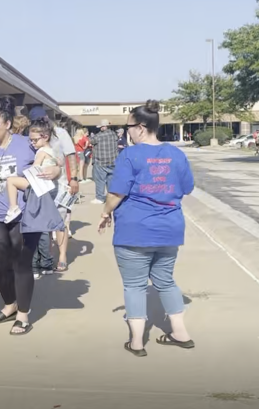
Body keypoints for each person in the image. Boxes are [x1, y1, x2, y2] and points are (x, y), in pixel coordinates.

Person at [98, 100, 195, 357]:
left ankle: (138, 342)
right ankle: (180, 333)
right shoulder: (176, 154)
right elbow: (187, 187)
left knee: (134, 286)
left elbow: (117, 192)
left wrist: (105, 213)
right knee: (165, 281)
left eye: (128, 126)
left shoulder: (130, 155)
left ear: (140, 127)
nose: (126, 131)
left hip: (135, 230)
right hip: (168, 229)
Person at [0, 98, 63, 335]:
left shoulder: (26, 144)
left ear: (7, 124)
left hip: (25, 215)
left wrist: (57, 169)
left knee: (21, 264)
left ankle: (23, 314)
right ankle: (9, 305)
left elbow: (51, 158)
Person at [30, 108, 79, 275]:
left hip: (61, 184)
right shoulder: (32, 134)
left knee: (60, 221)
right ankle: (47, 257)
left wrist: (74, 178)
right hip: (41, 186)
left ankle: (62, 256)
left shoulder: (61, 133)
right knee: (44, 224)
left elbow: (71, 155)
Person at [4, 117, 58, 223]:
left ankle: (13, 207)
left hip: (39, 183)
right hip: (48, 184)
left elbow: (35, 167)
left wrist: (25, 170)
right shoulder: (51, 150)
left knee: (11, 180)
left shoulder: (41, 152)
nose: (32, 143)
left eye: (35, 140)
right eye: (31, 140)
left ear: (45, 137)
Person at [90, 119, 118, 205]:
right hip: (113, 161)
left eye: (101, 127)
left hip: (101, 161)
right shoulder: (114, 135)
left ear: (104, 126)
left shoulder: (98, 136)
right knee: (110, 180)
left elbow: (91, 141)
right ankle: (111, 197)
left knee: (100, 180)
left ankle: (100, 198)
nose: (100, 128)